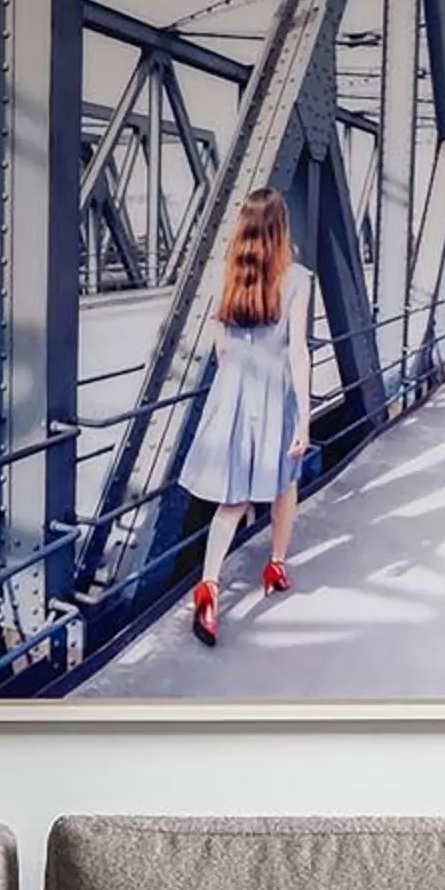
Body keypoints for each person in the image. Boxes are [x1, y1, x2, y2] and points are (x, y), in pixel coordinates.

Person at [177, 187, 314, 647]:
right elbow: (298, 351)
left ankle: (209, 587)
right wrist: (306, 416)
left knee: (231, 499)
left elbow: (219, 347)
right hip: (275, 396)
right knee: (285, 481)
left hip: (232, 396)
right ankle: (276, 566)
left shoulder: (227, 277)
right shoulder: (297, 278)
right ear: (282, 229)